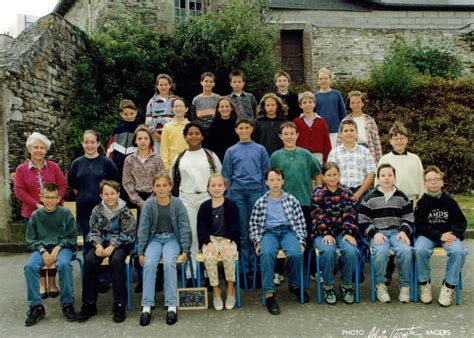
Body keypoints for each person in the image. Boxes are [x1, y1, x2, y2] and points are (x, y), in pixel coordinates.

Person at [249, 168, 309, 315]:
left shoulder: (291, 200)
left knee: (296, 253)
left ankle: (294, 285)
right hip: (269, 232)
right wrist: (257, 241)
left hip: (288, 231)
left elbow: (301, 223)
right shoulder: (261, 202)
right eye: (271, 180)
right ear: (266, 183)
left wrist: (301, 241)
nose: (275, 183)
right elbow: (254, 225)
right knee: (267, 253)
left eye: (278, 179)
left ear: (283, 181)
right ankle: (269, 294)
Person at [14, 132, 67, 299]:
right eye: (35, 147)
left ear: (46, 150)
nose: (39, 150)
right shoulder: (21, 169)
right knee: (38, 248)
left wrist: (56, 201)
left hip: (54, 215)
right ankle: (42, 283)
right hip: (32, 214)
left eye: (42, 147)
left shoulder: (53, 167)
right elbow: (19, 191)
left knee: (53, 246)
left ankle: (51, 281)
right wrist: (37, 205)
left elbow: (62, 184)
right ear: (29, 149)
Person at [76, 180, 136, 323]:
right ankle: (89, 304)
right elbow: (93, 231)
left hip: (120, 244)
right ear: (101, 195)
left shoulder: (125, 211)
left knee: (116, 260)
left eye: (112, 194)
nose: (109, 197)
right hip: (101, 243)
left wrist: (113, 246)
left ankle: (119, 304)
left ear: (118, 194)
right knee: (90, 260)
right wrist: (97, 245)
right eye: (106, 194)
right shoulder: (97, 210)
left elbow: (129, 233)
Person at [270, 122, 321, 285]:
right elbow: (271, 179)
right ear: (280, 136)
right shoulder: (275, 156)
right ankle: (278, 271)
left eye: (292, 133)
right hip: (282, 204)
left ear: (297, 135)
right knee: (281, 236)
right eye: (286, 133)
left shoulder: (306, 154)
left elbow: (317, 174)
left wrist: (318, 193)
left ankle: (310, 269)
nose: (289, 136)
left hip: (304, 202)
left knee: (306, 237)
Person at [138, 174, 192, 326]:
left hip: (172, 239)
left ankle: (171, 306)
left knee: (169, 263)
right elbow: (143, 228)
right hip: (154, 239)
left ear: (170, 187)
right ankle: (147, 307)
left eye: (164, 185)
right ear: (153, 188)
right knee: (149, 264)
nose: (161, 189)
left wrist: (185, 248)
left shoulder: (177, 203)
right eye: (158, 186)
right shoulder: (149, 204)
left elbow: (184, 227)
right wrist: (141, 251)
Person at [171, 122, 221, 282]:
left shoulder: (210, 156)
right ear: (185, 137)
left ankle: (208, 271)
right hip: (186, 198)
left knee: (207, 236)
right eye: (190, 133)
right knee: (191, 235)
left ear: (202, 136)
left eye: (196, 133)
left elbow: (218, 178)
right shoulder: (179, 158)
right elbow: (173, 180)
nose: (193, 136)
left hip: (207, 198)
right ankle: (191, 272)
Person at [222, 118, 270, 281]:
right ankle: (244, 269)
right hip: (238, 193)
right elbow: (226, 176)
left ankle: (257, 270)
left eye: (246, 128)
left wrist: (265, 193)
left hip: (256, 192)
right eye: (240, 128)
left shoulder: (260, 149)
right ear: (236, 130)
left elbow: (266, 173)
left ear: (251, 129)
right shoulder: (231, 151)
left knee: (256, 231)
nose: (243, 131)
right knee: (242, 231)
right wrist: (229, 195)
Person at [358, 164, 414, 303]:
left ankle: (405, 286)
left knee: (406, 251)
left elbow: (409, 217)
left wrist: (404, 230)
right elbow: (362, 219)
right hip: (379, 233)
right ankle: (380, 285)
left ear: (395, 178)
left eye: (390, 175)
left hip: (397, 232)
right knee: (381, 252)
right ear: (378, 178)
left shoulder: (402, 197)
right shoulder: (370, 197)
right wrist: (374, 232)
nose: (386, 178)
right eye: (383, 176)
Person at [414, 165, 468, 307]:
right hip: (428, 235)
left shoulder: (449, 201)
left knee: (458, 251)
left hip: (448, 235)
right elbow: (419, 225)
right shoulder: (422, 203)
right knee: (419, 249)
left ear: (442, 182)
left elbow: (461, 222)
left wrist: (454, 234)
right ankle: (424, 283)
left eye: (436, 179)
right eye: (429, 180)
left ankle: (449, 286)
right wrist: (439, 235)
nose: (433, 182)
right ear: (424, 183)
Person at [24, 183, 77, 326]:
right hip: (41, 248)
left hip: (62, 247)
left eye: (53, 198)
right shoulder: (36, 215)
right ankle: (36, 307)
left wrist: (57, 248)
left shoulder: (65, 213)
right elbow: (30, 239)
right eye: (46, 197)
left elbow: (72, 236)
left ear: (59, 198)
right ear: (41, 197)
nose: (50, 201)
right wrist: (42, 250)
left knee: (64, 264)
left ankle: (67, 303)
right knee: (29, 266)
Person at [311, 162, 359, 304]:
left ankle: (346, 284)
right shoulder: (318, 193)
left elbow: (350, 213)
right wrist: (326, 232)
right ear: (323, 177)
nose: (332, 178)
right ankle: (328, 285)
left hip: (342, 231)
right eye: (329, 175)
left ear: (339, 175)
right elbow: (317, 215)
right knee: (327, 250)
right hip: (322, 232)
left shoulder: (346, 192)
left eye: (335, 175)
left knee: (350, 250)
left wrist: (348, 232)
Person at [68, 130, 120, 246]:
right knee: (89, 240)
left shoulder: (107, 163)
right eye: (86, 142)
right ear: (82, 143)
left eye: (92, 142)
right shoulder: (76, 164)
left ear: (98, 143)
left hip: (105, 209)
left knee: (105, 240)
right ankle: (88, 263)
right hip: (84, 210)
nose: (89, 145)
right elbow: (74, 187)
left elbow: (115, 185)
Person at [197, 174, 240, 311]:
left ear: (225, 187)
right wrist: (207, 242)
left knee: (228, 254)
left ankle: (230, 288)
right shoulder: (204, 207)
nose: (216, 188)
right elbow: (201, 228)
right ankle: (216, 290)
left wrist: (228, 240)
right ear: (208, 189)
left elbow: (236, 226)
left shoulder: (232, 205)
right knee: (209, 256)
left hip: (227, 238)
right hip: (211, 239)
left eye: (220, 185)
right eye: (213, 186)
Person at [328, 120, 375, 201]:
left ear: (357, 133)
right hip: (340, 194)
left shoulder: (365, 151)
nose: (349, 133)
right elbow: (330, 175)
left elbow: (371, 174)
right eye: (346, 131)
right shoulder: (334, 153)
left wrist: (357, 194)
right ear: (341, 134)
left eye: (352, 130)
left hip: (362, 194)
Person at [376, 122, 424, 201]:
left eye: (402, 138)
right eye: (395, 139)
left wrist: (422, 199)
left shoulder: (415, 159)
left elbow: (422, 182)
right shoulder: (385, 159)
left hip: (412, 201)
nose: (399, 141)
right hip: (391, 201)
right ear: (390, 141)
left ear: (407, 140)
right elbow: (378, 182)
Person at [123, 125, 166, 211]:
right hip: (135, 200)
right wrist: (140, 202)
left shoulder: (157, 158)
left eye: (146, 138)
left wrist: (151, 200)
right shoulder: (129, 159)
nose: (143, 141)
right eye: (139, 138)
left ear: (150, 140)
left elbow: (162, 179)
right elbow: (127, 182)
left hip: (155, 199)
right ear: (135, 141)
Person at [337, 91, 382, 164]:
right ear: (349, 105)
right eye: (353, 103)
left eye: (358, 102)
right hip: (350, 151)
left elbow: (376, 141)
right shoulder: (345, 121)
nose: (356, 105)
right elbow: (339, 141)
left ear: (363, 103)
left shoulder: (369, 120)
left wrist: (379, 160)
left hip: (368, 150)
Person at [293, 91, 331, 165]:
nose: (308, 105)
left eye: (310, 102)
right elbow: (294, 141)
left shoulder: (321, 121)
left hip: (318, 156)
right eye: (304, 103)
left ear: (314, 104)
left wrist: (326, 160)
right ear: (300, 105)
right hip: (301, 155)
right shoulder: (296, 122)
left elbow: (326, 142)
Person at [106, 99, 140, 182]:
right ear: (121, 114)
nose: (129, 116)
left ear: (136, 112)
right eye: (126, 114)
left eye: (131, 113)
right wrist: (110, 164)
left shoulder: (140, 129)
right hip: (118, 167)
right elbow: (110, 149)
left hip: (135, 167)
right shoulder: (117, 130)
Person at [314, 68, 346, 148]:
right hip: (320, 131)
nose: (323, 81)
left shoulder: (336, 94)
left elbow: (342, 113)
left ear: (330, 79)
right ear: (317, 81)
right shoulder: (314, 96)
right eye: (321, 79)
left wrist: (343, 128)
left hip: (335, 131)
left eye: (326, 78)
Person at [145, 73, 176, 154]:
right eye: (161, 85)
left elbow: (179, 119)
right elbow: (148, 122)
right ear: (157, 86)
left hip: (173, 138)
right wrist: (157, 136)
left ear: (170, 85)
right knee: (159, 162)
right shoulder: (152, 102)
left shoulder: (176, 100)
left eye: (166, 84)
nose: (163, 87)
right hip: (157, 140)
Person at [160, 97, 190, 170]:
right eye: (176, 106)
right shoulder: (167, 127)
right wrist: (166, 166)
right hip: (172, 164)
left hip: (189, 163)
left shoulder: (190, 126)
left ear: (186, 109)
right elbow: (164, 148)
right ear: (172, 109)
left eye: (181, 106)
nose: (178, 108)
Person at [207, 97, 240, 162]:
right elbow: (210, 145)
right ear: (218, 109)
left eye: (227, 106)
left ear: (231, 108)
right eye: (222, 107)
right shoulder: (213, 125)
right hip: (218, 159)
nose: (225, 109)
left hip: (235, 158)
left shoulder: (237, 125)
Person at [190, 72, 221, 137]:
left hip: (216, 129)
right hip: (201, 131)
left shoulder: (218, 98)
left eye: (211, 81)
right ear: (201, 82)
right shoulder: (196, 99)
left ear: (214, 84)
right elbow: (193, 118)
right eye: (206, 81)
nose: (208, 84)